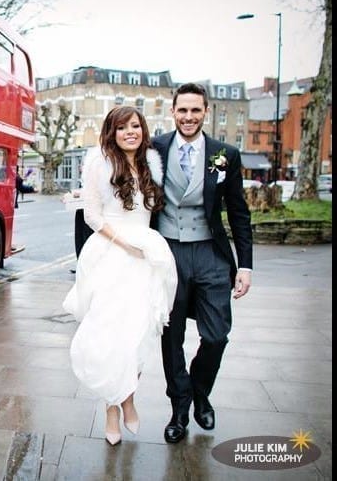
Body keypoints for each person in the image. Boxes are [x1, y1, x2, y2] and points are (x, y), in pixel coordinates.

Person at [62, 106, 177, 446]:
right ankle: (116, 408)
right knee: (112, 336)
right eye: (124, 127)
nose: (131, 132)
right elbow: (93, 216)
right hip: (112, 253)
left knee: (139, 335)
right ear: (112, 131)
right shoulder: (99, 162)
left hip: (148, 256)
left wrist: (142, 249)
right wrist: (125, 244)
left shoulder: (151, 163)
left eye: (137, 126)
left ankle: (127, 398)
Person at [152, 83, 253, 444]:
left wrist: (245, 265)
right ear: (173, 111)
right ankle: (179, 408)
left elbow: (239, 212)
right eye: (183, 110)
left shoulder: (225, 154)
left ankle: (200, 392)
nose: (189, 117)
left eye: (196, 111)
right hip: (167, 252)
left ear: (205, 112)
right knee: (172, 335)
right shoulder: (155, 148)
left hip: (210, 252)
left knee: (216, 336)